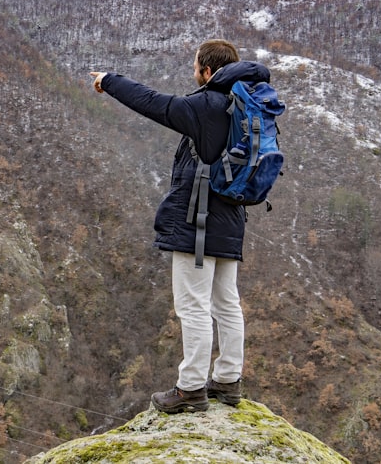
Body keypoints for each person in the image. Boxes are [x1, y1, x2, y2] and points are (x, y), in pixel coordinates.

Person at [90, 39, 269, 413]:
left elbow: (153, 102)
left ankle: (190, 388)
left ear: (206, 70)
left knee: (193, 307)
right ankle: (228, 380)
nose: (194, 71)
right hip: (232, 219)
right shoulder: (246, 105)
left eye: (195, 65)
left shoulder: (206, 105)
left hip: (198, 225)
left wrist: (109, 80)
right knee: (227, 304)